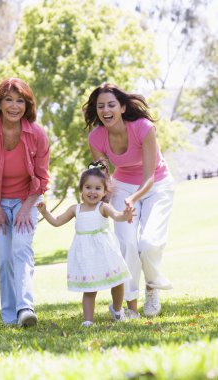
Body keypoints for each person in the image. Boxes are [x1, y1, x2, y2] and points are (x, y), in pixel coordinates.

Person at [82, 83, 175, 318]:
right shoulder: (96, 137)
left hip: (156, 185)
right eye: (100, 106)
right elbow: (103, 175)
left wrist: (133, 198)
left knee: (149, 243)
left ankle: (152, 286)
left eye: (111, 104)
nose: (105, 110)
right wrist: (98, 195)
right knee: (127, 245)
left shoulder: (143, 128)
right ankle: (129, 304)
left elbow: (149, 176)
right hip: (122, 185)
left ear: (122, 107)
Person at [0, 77, 50, 327]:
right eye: (9, 100)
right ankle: (8, 316)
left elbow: (42, 178)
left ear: (27, 105)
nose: (15, 106)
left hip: (27, 199)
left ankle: (25, 309)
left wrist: (26, 208)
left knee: (21, 251)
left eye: (20, 101)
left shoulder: (36, 134)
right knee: (4, 258)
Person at [36, 164, 134, 326]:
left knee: (117, 282)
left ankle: (117, 309)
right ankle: (88, 320)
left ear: (104, 192)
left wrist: (126, 214)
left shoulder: (103, 207)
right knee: (89, 289)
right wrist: (45, 212)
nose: (92, 192)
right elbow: (57, 221)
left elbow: (117, 216)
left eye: (97, 188)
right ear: (81, 189)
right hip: (86, 255)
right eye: (88, 187)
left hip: (105, 252)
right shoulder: (76, 209)